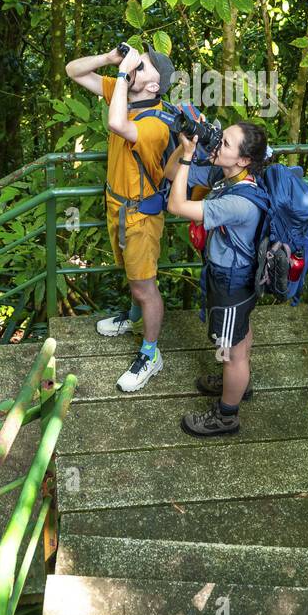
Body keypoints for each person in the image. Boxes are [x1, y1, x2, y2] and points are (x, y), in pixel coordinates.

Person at [65, 42, 181, 391]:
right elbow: (73, 71)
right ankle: (133, 320)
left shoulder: (155, 126)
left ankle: (151, 353)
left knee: (144, 286)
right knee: (132, 276)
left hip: (140, 216)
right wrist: (109, 59)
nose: (133, 66)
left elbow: (117, 124)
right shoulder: (125, 92)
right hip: (117, 206)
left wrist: (119, 73)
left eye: (141, 66)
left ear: (153, 86)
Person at [167, 121, 271, 437]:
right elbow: (171, 175)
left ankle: (227, 415)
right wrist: (185, 147)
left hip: (231, 280)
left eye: (224, 143)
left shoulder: (238, 201)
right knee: (239, 335)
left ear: (243, 160)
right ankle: (238, 382)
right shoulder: (226, 177)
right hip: (236, 277)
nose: (216, 145)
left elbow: (176, 205)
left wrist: (188, 157)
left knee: (231, 350)